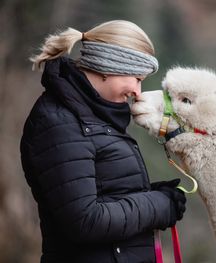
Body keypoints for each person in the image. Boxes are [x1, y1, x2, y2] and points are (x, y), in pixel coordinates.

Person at [20, 20, 186, 263]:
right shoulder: (57, 122)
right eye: (137, 78)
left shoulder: (95, 115)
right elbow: (85, 220)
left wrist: (153, 194)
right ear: (110, 66)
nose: (138, 92)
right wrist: (158, 206)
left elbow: (104, 192)